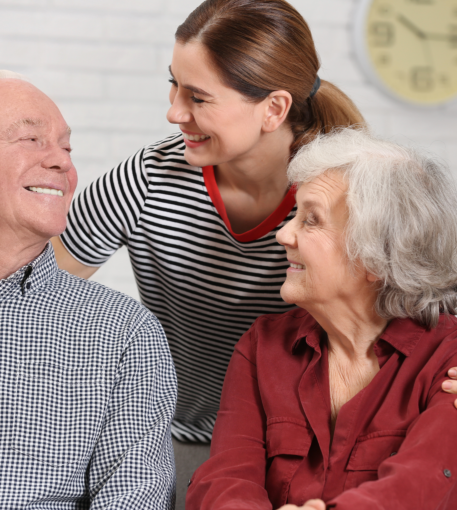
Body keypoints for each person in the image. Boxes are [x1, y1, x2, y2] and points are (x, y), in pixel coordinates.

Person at [52, 1, 457, 505]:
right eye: (173, 84)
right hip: (185, 431)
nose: (174, 111)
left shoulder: (342, 190)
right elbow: (37, 288)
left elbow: (425, 280)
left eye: (198, 97)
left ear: (274, 108)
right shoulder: (148, 179)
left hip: (305, 444)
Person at [186, 128, 457, 510]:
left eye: (310, 220)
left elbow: (418, 484)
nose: (283, 235)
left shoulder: (448, 359)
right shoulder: (263, 347)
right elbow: (225, 477)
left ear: (375, 258)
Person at [0, 71, 176, 509]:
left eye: (67, 147)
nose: (62, 163)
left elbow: (134, 497)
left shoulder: (125, 332)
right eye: (31, 140)